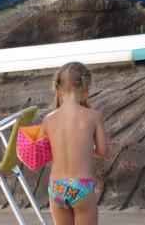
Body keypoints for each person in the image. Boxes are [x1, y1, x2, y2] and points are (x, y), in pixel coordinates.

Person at [38, 62, 109, 225]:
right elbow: (102, 151)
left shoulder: (48, 119)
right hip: (81, 186)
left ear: (58, 89)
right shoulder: (93, 116)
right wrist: (86, 148)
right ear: (86, 88)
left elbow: (41, 150)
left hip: (56, 187)